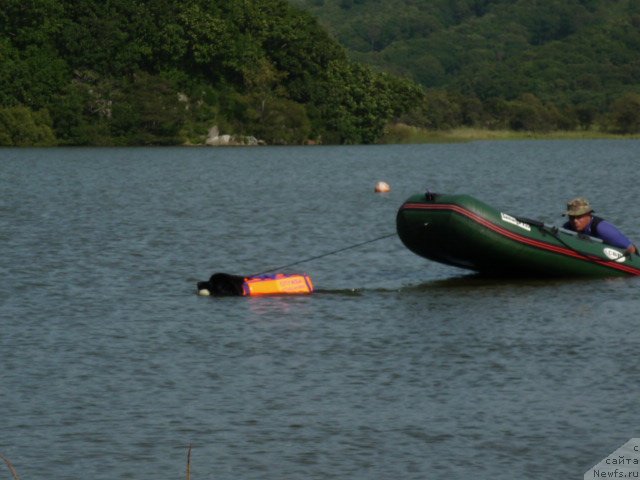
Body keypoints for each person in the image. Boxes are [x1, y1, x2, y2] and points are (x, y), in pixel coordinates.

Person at [562, 197, 637, 254]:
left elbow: (631, 249)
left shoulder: (602, 228)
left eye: (579, 217)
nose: (575, 221)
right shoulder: (567, 227)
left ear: (589, 214)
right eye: (571, 217)